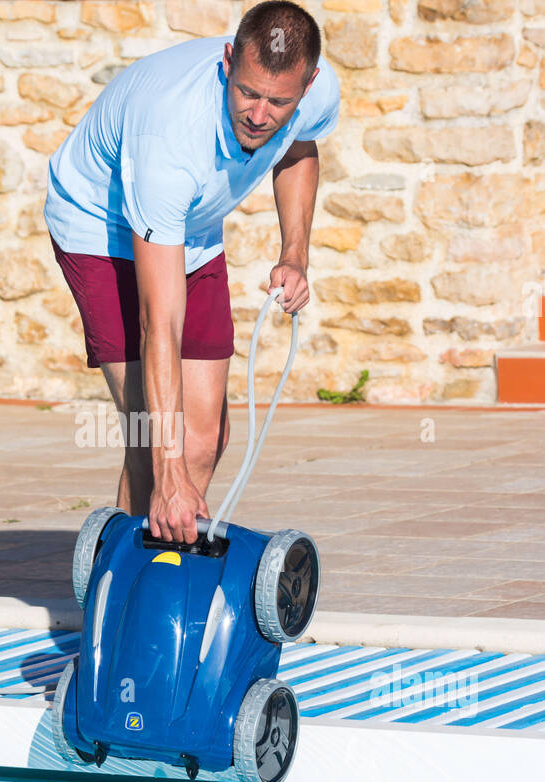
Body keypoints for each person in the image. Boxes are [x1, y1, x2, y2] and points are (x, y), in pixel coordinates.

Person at [45, 0, 339, 544]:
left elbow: (299, 147)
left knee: (203, 439)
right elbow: (161, 322)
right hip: (98, 226)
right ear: (228, 61)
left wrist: (295, 253)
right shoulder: (170, 136)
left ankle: (166, 564)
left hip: (190, 224)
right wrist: (168, 471)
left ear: (308, 83)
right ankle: (123, 593)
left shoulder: (315, 94)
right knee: (152, 439)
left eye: (279, 101)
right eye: (248, 92)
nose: (259, 115)